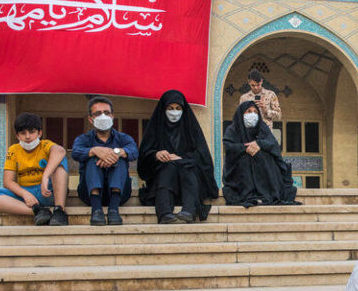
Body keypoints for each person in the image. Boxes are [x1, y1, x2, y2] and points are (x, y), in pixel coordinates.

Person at [137, 90, 218, 224]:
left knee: (186, 167)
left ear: (183, 109)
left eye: (178, 108)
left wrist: (181, 158)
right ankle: (164, 212)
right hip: (163, 178)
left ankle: (189, 210)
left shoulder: (190, 128)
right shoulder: (156, 128)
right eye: (170, 108)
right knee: (167, 167)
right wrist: (156, 154)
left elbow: (202, 156)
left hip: (189, 178)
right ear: (163, 109)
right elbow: (145, 156)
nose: (174, 112)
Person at [0, 113, 69, 226]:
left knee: (60, 161)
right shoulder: (13, 150)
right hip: (25, 194)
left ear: (39, 133)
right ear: (17, 136)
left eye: (32, 132)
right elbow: (8, 181)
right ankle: (38, 211)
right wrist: (25, 194)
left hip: (46, 191)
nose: (27, 136)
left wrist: (45, 177)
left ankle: (59, 211)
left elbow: (60, 151)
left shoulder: (45, 145)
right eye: (23, 133)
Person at [71, 96, 136, 225]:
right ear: (90, 119)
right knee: (92, 159)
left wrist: (115, 154)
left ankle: (113, 210)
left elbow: (133, 151)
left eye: (106, 113)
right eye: (97, 113)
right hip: (89, 193)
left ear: (112, 116)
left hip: (121, 193)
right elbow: (75, 152)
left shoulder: (123, 138)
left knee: (120, 159)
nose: (103, 116)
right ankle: (96, 211)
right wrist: (94, 151)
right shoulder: (84, 139)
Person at [222, 101, 298, 207]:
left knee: (264, 156)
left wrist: (259, 144)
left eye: (255, 112)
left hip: (263, 168)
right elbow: (229, 146)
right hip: (239, 171)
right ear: (241, 114)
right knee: (245, 159)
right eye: (248, 111)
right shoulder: (233, 129)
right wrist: (245, 148)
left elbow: (273, 144)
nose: (252, 115)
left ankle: (265, 194)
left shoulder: (262, 128)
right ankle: (249, 194)